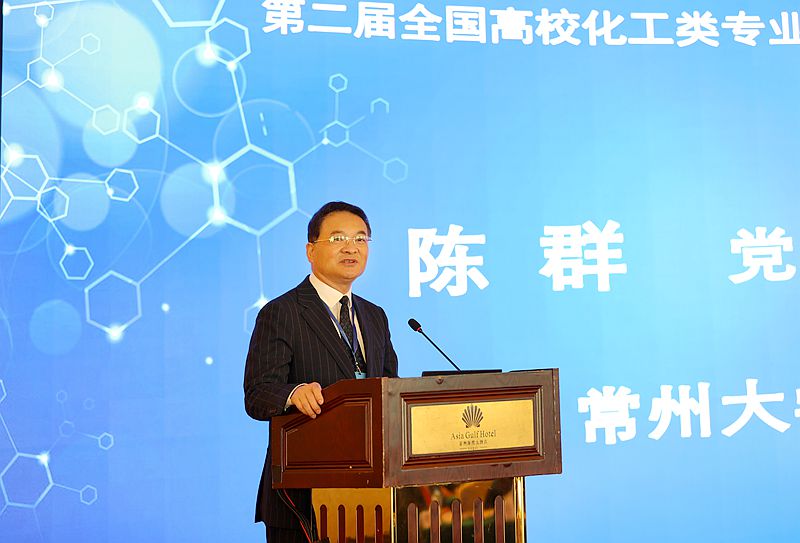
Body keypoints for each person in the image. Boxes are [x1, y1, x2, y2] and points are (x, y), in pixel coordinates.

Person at [244, 201, 399, 543]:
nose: (351, 247)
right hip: (301, 497)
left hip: (371, 498)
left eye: (361, 239)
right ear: (310, 251)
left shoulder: (375, 316)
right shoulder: (282, 312)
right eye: (338, 238)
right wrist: (292, 393)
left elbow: (390, 390)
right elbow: (257, 394)